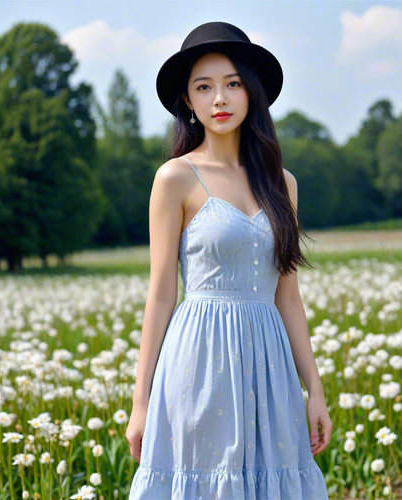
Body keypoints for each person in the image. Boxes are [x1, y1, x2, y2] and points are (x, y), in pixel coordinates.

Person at [126, 21, 331, 499]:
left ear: (251, 93)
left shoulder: (284, 183)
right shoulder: (175, 177)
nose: (219, 98)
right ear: (188, 102)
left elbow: (288, 295)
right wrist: (141, 402)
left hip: (269, 360)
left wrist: (314, 389)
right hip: (199, 359)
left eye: (232, 84)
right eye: (204, 87)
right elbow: (160, 295)